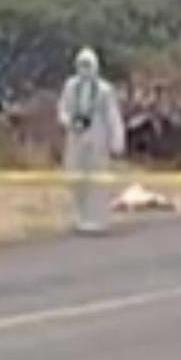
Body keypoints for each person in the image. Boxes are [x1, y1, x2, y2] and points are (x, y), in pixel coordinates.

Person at [57, 47, 125, 234]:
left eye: (88, 65)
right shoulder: (70, 86)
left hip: (98, 139)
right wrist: (69, 122)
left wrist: (116, 141)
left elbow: (112, 117)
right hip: (75, 138)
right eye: (81, 65)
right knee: (76, 180)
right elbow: (62, 109)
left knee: (98, 181)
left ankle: (98, 220)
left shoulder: (104, 90)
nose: (84, 69)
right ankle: (80, 218)